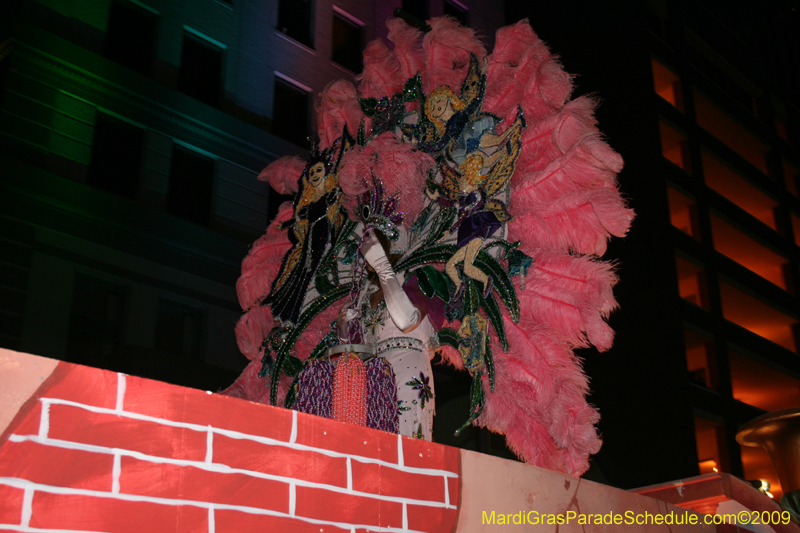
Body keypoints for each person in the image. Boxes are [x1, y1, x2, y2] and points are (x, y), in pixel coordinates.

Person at [357, 230, 436, 440]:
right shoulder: (365, 292)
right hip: (372, 375)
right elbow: (362, 349)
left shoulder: (419, 276)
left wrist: (382, 266)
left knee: (406, 444)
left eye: (375, 243)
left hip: (408, 367)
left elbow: (407, 321)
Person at [267, 157, 344, 324]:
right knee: (302, 270)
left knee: (315, 268)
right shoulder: (309, 204)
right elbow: (298, 218)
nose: (315, 175)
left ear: (326, 173)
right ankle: (289, 312)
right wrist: (284, 224)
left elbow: (337, 196)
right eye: (312, 172)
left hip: (324, 234)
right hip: (310, 239)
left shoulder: (330, 196)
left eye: (319, 170)